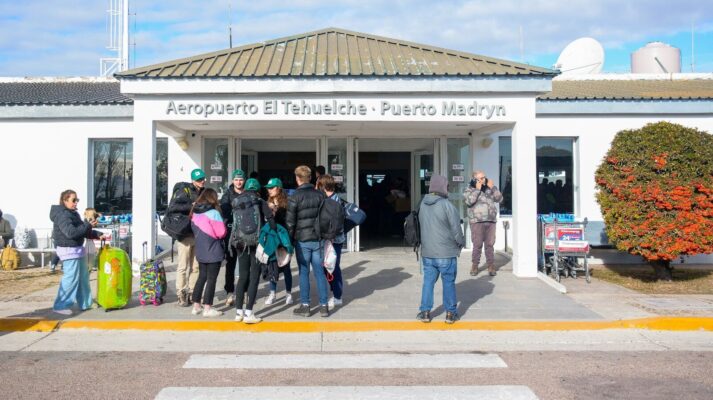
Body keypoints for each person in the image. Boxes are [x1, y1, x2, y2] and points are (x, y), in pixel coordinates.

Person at [417, 175, 465, 324]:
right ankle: (450, 313)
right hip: (446, 253)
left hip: (428, 253)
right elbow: (456, 230)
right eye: (447, 185)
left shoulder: (422, 204)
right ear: (443, 187)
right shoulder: (447, 205)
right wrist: (461, 243)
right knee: (449, 282)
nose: (449, 188)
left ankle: (425, 312)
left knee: (428, 282)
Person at [49, 190, 103, 315]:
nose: (76, 202)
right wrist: (87, 225)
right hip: (68, 250)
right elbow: (71, 233)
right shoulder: (62, 215)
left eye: (77, 200)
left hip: (77, 250)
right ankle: (60, 305)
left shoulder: (73, 213)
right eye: (73, 200)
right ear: (65, 201)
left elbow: (82, 230)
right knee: (71, 278)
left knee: (83, 278)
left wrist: (96, 234)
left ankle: (86, 303)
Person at [286, 165, 330, 318]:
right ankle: (324, 306)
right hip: (317, 239)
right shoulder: (320, 195)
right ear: (310, 178)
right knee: (319, 273)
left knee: (304, 272)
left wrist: (289, 242)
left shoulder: (294, 197)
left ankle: (306, 305)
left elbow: (290, 222)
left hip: (302, 240)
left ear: (298, 179)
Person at [232, 178, 274, 324]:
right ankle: (249, 312)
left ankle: (238, 313)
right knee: (254, 277)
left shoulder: (237, 201)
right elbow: (271, 221)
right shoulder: (260, 201)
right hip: (257, 243)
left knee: (242, 276)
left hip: (240, 243)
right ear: (257, 189)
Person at [168, 168, 206, 306]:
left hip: (198, 234)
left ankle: (192, 293)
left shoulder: (204, 192)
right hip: (184, 234)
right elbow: (174, 208)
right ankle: (181, 293)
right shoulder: (184, 191)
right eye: (198, 179)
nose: (202, 181)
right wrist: (192, 205)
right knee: (183, 266)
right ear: (193, 180)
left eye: (202, 179)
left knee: (196, 267)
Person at [189, 188, 227, 318]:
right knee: (211, 279)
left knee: (202, 277)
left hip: (200, 250)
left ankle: (196, 306)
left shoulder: (195, 212)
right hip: (213, 251)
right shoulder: (213, 213)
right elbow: (221, 233)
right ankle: (207, 308)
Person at [464, 170, 503, 277]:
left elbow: (499, 199)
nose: (483, 180)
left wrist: (493, 187)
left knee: (490, 244)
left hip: (490, 220)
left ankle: (491, 266)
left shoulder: (489, 188)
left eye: (484, 177)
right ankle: (475, 266)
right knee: (477, 244)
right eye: (481, 178)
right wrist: (477, 189)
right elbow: (469, 201)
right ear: (475, 179)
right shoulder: (470, 188)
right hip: (477, 221)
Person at [316, 174, 346, 308]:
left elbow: (336, 224)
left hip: (333, 240)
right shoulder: (333, 199)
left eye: (317, 185)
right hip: (331, 239)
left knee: (333, 268)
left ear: (322, 186)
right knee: (328, 267)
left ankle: (338, 296)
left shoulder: (334, 201)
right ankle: (335, 292)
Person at [264, 177, 293, 306]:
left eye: (272, 188)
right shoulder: (267, 202)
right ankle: (272, 293)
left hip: (284, 239)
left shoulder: (287, 203)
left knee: (286, 268)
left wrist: (275, 210)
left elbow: (288, 222)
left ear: (279, 188)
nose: (269, 190)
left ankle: (288, 293)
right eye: (268, 188)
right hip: (272, 239)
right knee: (272, 267)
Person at [219, 169, 246, 307]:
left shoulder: (248, 193)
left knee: (244, 265)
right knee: (230, 265)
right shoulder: (227, 195)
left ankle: (244, 291)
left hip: (246, 234)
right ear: (232, 181)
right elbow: (224, 211)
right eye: (236, 180)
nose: (238, 182)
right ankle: (230, 292)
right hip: (231, 234)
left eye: (241, 179)